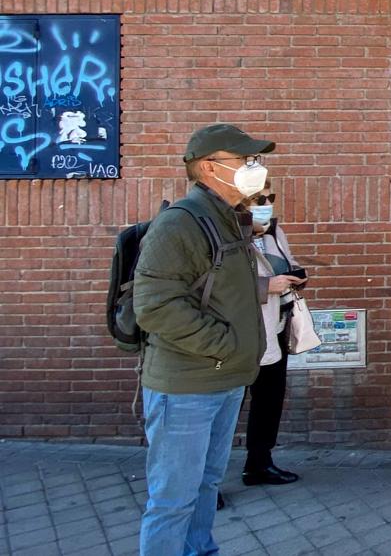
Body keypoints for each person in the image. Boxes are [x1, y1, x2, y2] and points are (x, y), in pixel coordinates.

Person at [133, 124, 274, 555]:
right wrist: (225, 345)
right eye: (245, 161)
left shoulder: (229, 219)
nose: (256, 168)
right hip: (187, 387)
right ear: (210, 168)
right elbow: (155, 306)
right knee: (173, 501)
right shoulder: (181, 224)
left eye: (256, 160)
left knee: (206, 486)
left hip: (224, 380)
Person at [243, 182, 307, 487]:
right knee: (222, 409)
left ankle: (259, 463)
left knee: (268, 400)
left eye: (270, 198)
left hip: (274, 329)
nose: (267, 204)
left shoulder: (273, 233)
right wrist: (266, 286)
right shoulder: (224, 237)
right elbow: (213, 288)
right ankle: (204, 483)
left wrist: (295, 275)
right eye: (258, 199)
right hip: (238, 335)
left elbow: (288, 262)